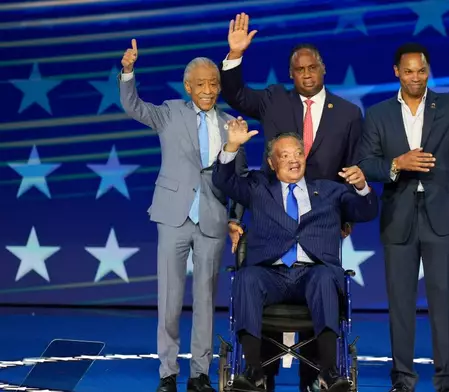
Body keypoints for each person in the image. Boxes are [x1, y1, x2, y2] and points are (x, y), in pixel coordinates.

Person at [219, 12, 364, 390]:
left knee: (319, 286)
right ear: (291, 74)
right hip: (273, 218)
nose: (306, 73)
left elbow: (353, 167)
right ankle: (256, 373)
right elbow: (235, 94)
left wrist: (342, 213)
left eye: (312, 66)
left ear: (323, 68)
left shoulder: (348, 114)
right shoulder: (273, 100)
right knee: (253, 280)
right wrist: (234, 57)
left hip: (322, 220)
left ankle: (321, 376)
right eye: (298, 69)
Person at [356, 43, 449, 392]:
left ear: (428, 70)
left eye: (421, 70)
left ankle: (447, 379)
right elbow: (367, 163)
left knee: (443, 299)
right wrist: (396, 164)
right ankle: (403, 378)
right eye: (409, 71)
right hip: (398, 214)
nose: (416, 77)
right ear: (396, 72)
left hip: (442, 215)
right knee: (400, 303)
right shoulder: (377, 114)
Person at [118, 39, 248, 392]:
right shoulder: (169, 112)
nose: (207, 90)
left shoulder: (229, 125)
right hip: (173, 214)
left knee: (205, 298)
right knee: (170, 298)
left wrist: (234, 217)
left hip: (212, 217)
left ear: (219, 87)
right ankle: (168, 372)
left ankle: (200, 373)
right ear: (188, 87)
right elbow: (133, 107)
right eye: (200, 84)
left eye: (213, 84)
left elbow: (239, 178)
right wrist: (128, 72)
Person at [212, 119, 378, 392]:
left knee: (325, 277)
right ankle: (254, 371)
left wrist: (361, 187)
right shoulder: (257, 187)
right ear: (271, 162)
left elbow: (367, 211)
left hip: (313, 274)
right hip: (270, 275)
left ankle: (329, 372)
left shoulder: (330, 190)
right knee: (247, 277)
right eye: (284, 155)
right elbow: (223, 179)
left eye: (297, 154)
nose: (293, 160)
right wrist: (231, 146)